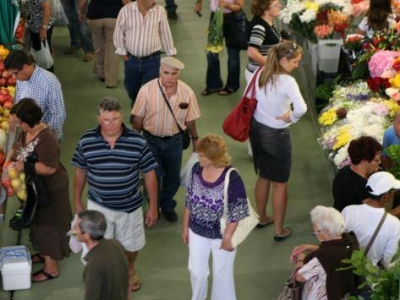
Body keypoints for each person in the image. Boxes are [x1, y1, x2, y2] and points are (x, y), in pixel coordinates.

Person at [71, 97, 158, 292]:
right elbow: (80, 172)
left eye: (116, 119)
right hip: (98, 205)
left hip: (131, 205)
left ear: (122, 117)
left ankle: (128, 268)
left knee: (132, 244)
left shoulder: (137, 140)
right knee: (96, 246)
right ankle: (99, 274)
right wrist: (77, 202)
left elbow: (150, 173)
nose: (111, 124)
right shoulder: (86, 140)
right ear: (99, 118)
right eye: (106, 120)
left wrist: (152, 206)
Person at [8, 98, 72, 283]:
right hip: (35, 188)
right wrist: (8, 162)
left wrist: (25, 167)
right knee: (37, 222)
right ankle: (44, 254)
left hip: (49, 190)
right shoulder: (26, 131)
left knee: (48, 226)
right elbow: (16, 147)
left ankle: (51, 269)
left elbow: (50, 168)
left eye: (20, 122)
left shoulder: (47, 138)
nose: (18, 125)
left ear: (30, 120)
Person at [249, 41, 307, 241]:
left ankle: (262, 216)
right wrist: (290, 117)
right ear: (284, 60)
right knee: (280, 183)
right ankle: (279, 230)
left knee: (263, 174)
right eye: (295, 62)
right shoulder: (287, 81)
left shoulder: (262, 72)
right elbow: (302, 108)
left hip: (257, 128)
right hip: (277, 134)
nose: (297, 66)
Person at [131, 57, 201, 223]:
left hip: (174, 141)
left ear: (179, 74)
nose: (169, 77)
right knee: (152, 175)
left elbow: (190, 119)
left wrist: (195, 139)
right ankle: (153, 206)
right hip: (150, 140)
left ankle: (167, 204)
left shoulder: (187, 93)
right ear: (159, 71)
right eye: (166, 73)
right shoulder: (146, 90)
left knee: (173, 177)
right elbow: (138, 118)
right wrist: (134, 141)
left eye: (174, 74)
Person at [182, 134, 250, 300]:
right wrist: (185, 227)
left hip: (221, 235)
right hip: (196, 230)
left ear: (214, 157)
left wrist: (227, 237)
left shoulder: (232, 177)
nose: (198, 157)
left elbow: (237, 211)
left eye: (202, 155)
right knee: (197, 272)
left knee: (222, 275)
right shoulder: (197, 169)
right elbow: (189, 198)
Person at [113, 0, 176, 106]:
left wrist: (172, 58)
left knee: (152, 90)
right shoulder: (125, 11)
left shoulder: (160, 11)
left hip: (153, 60)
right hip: (132, 60)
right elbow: (118, 34)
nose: (155, 1)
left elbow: (165, 34)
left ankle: (147, 110)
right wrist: (125, 57)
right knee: (131, 87)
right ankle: (136, 102)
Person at [291, 206, 360, 299]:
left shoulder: (322, 257)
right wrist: (310, 247)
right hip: (345, 292)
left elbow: (300, 277)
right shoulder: (350, 241)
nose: (316, 235)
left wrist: (300, 260)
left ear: (326, 232)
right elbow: (334, 250)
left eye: (316, 233)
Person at [4, 49, 66, 141]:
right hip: (28, 134)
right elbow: (19, 101)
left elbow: (59, 115)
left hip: (45, 137)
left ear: (25, 66)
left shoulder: (49, 82)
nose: (13, 77)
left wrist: (39, 133)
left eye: (15, 73)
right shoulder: (21, 79)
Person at [342, 171, 400, 269]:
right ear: (385, 196)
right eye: (392, 192)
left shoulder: (348, 211)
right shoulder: (394, 225)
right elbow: (390, 262)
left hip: (345, 266)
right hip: (368, 274)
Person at [75, 210, 131, 300]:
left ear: (86, 235)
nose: (74, 230)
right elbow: (127, 280)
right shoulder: (116, 244)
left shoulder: (93, 266)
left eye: (76, 227)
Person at [194, 0, 244, 96]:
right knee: (212, 53)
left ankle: (232, 85)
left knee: (233, 54)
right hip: (216, 17)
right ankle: (213, 84)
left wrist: (227, 5)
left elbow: (239, 6)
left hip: (233, 19)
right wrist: (199, 2)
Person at [78, 0, 130, 88]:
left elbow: (83, 2)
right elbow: (126, 1)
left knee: (99, 47)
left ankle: (101, 74)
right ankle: (111, 81)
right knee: (112, 49)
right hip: (114, 16)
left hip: (94, 16)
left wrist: (81, 12)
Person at [332, 136, 382, 212]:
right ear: (364, 161)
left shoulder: (344, 171)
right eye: (376, 160)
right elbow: (376, 218)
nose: (380, 162)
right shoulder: (363, 189)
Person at [245, 0, 283, 83]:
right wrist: (270, 67)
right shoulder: (260, 27)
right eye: (275, 5)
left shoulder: (269, 22)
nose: (280, 6)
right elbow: (252, 52)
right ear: (265, 9)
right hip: (259, 73)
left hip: (264, 72)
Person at [21, 0, 55, 71]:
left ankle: (49, 74)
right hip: (33, 26)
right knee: (39, 51)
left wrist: (44, 28)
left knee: (44, 52)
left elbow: (47, 8)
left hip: (41, 27)